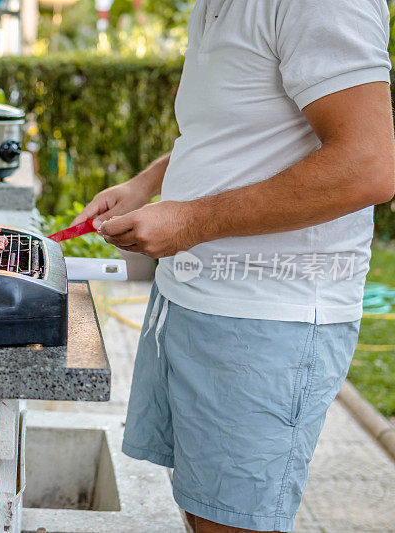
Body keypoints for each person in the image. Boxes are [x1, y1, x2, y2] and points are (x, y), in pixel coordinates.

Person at [73, 1, 395, 532]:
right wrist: (144, 185)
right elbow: (239, 131)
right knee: (206, 512)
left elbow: (367, 167)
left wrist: (191, 222)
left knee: (234, 524)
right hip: (193, 301)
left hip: (267, 317)